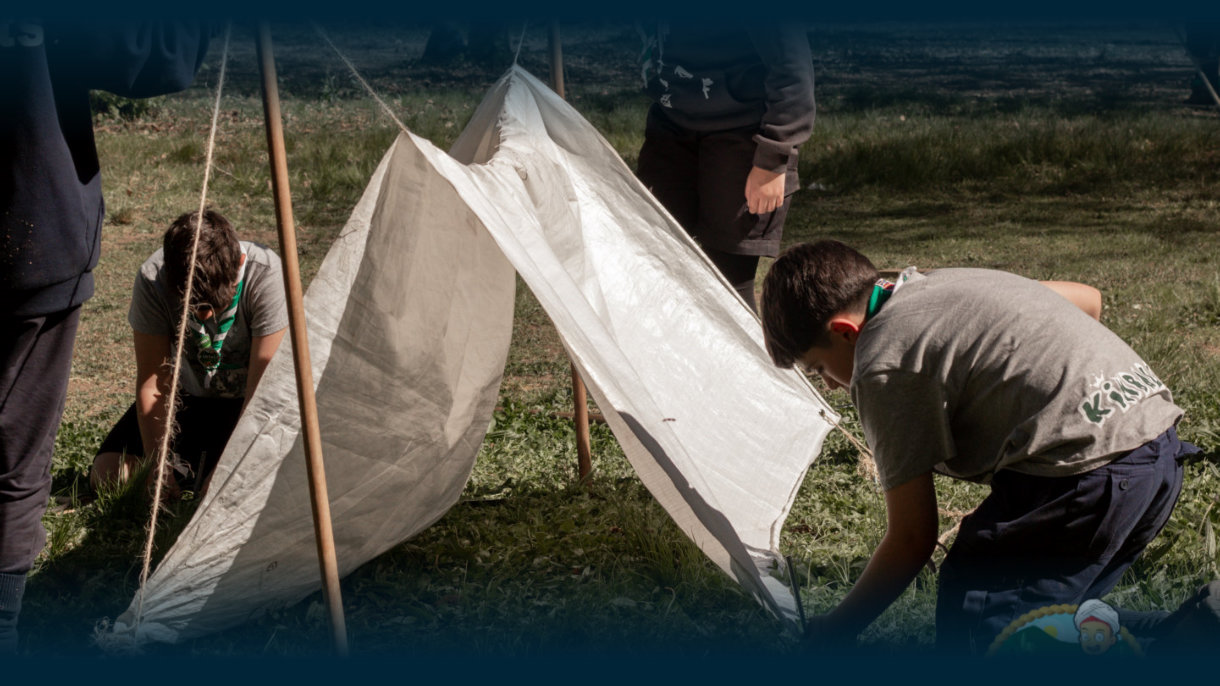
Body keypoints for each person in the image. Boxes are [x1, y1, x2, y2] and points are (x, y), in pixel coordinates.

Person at [759, 239, 1214, 655]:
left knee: (984, 639)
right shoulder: (940, 283)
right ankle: (1200, 627)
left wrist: (836, 629)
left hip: (1086, 476)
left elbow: (912, 538)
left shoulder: (882, 364)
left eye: (819, 368)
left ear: (845, 331)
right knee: (1032, 613)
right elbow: (1087, 299)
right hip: (1155, 447)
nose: (830, 385)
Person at [0, 20, 211, 653]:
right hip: (26, 232)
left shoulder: (264, 287)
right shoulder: (152, 282)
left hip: (29, 243)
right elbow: (151, 50)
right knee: (15, 456)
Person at [90, 210, 287, 498]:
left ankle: (203, 472)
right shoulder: (154, 277)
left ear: (239, 263)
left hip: (249, 405)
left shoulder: (265, 274)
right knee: (107, 473)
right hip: (187, 398)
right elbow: (153, 381)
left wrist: (229, 467)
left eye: (215, 305)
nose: (205, 316)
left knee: (261, 485)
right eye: (194, 307)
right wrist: (157, 465)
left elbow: (262, 393)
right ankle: (189, 475)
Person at [636, 23, 816, 313]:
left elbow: (791, 64)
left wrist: (773, 156)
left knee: (729, 284)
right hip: (670, 127)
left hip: (744, 134)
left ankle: (749, 345)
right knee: (654, 259)